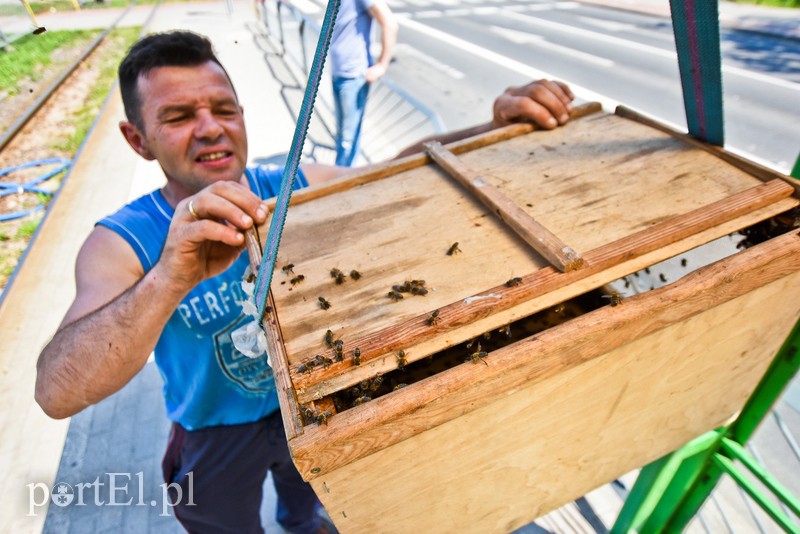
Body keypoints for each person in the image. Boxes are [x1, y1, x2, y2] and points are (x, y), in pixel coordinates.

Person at [34, 30, 574, 534]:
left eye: (224, 109)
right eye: (178, 116)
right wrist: (171, 276)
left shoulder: (286, 184)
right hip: (213, 431)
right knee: (220, 522)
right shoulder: (122, 239)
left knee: (312, 510)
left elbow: (389, 174)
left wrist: (489, 126)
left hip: (312, 410)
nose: (210, 128)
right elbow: (56, 393)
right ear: (138, 140)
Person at [329, 0, 397, 166]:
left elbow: (390, 23)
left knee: (347, 139)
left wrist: (382, 65)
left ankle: (341, 177)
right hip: (340, 72)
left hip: (353, 76)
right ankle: (341, 173)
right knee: (343, 134)